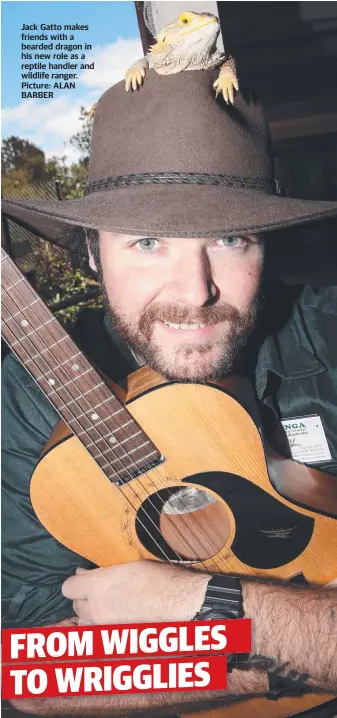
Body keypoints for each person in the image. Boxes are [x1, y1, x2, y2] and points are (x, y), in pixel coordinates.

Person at [2, 69, 337, 717]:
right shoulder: (23, 403)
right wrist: (283, 655)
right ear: (93, 256)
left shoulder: (327, 335)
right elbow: (31, 672)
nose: (194, 291)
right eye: (149, 244)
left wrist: (212, 613)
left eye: (228, 238)